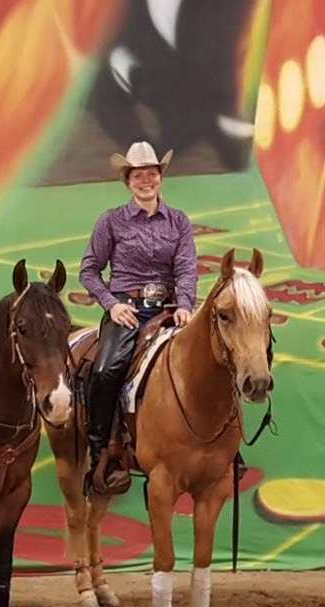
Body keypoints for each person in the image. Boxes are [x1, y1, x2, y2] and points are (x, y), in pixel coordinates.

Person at [78, 141, 198, 495]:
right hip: (126, 310)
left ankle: (220, 447)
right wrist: (111, 304)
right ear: (128, 182)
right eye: (138, 175)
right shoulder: (111, 221)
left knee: (209, 358)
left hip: (167, 310)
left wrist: (185, 304)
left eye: (152, 173)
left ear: (160, 177)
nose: (146, 180)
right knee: (104, 371)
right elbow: (89, 270)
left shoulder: (179, 221)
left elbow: (187, 269)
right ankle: (102, 454)